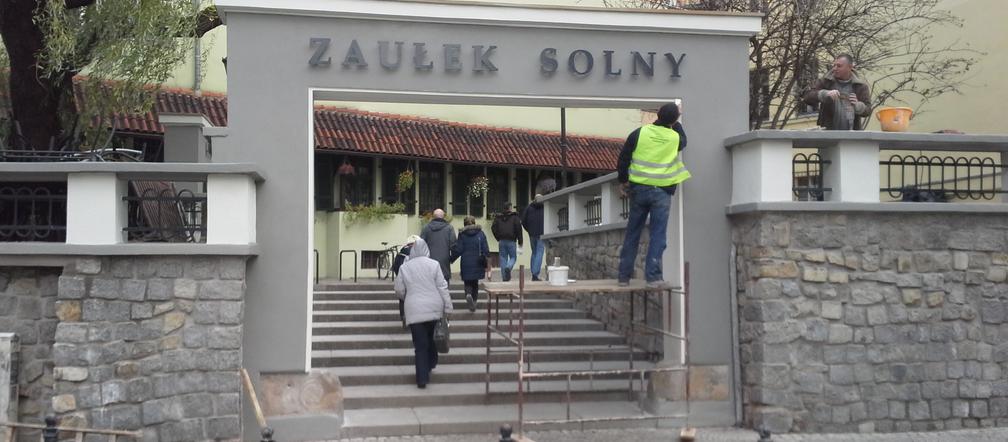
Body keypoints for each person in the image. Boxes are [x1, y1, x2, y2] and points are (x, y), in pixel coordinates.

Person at [616, 103, 690, 288]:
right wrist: (677, 120)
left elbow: (624, 158)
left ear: (657, 114)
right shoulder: (675, 137)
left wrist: (623, 181)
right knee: (658, 235)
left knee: (633, 232)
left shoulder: (639, 133)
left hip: (639, 190)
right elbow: (684, 140)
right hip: (662, 192)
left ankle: (624, 277)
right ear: (674, 120)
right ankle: (653, 278)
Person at [394, 238, 453, 389]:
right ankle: (431, 363)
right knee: (432, 340)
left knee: (420, 345)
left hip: (414, 310)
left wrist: (408, 297)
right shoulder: (434, 265)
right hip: (434, 308)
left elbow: (399, 290)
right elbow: (442, 287)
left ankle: (422, 379)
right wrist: (448, 307)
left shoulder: (404, 267)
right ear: (427, 250)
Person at [802, 54, 871, 130]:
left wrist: (858, 106)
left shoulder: (860, 86)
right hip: (828, 133)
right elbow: (807, 97)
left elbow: (868, 110)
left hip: (851, 134)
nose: (835, 68)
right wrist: (824, 94)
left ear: (850, 67)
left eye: (839, 66)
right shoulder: (826, 81)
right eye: (834, 65)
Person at [451, 216, 490, 312]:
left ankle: (468, 294)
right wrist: (487, 259)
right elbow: (485, 249)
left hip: (466, 261)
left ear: (464, 224)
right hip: (478, 261)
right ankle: (474, 301)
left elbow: (459, 249)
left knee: (467, 282)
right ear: (474, 222)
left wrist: (451, 259)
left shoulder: (462, 234)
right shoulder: (481, 233)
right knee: (475, 283)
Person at [420, 209, 456, 284]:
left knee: (430, 282)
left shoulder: (426, 228)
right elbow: (453, 245)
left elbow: (421, 244)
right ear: (443, 217)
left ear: (433, 216)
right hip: (444, 260)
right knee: (444, 282)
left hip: (429, 259)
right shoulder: (449, 228)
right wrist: (451, 258)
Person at [491, 202, 523, 282]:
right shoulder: (515, 217)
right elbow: (519, 229)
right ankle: (508, 267)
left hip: (502, 241)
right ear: (510, 208)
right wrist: (520, 241)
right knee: (513, 257)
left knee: (502, 258)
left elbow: (493, 228)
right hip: (511, 240)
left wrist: (498, 237)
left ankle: (504, 277)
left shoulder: (498, 217)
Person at [520, 194, 545, 281]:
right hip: (542, 233)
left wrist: (529, 230)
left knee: (534, 252)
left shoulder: (529, 208)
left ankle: (533, 273)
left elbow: (523, 221)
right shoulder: (545, 207)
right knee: (539, 253)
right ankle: (535, 274)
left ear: (534, 199)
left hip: (532, 234)